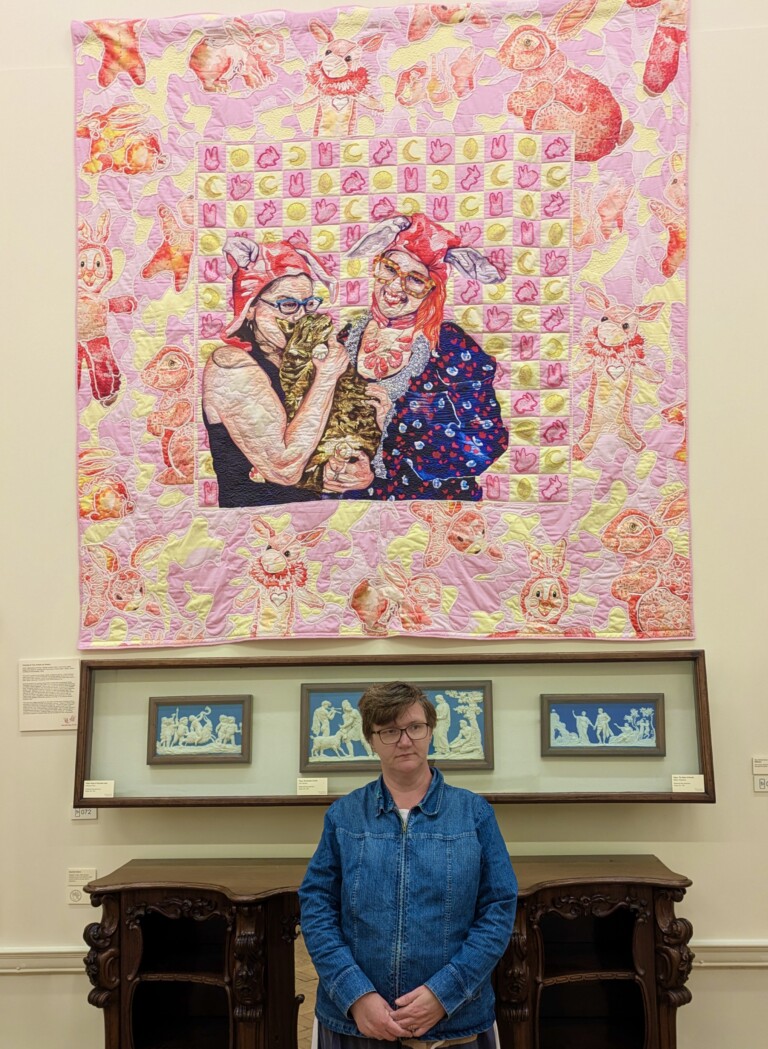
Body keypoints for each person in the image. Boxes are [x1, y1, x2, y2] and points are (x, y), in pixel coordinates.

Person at [299, 681, 517, 1044]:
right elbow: (316, 907)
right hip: (355, 1024)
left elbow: (498, 908)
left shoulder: (474, 814)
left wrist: (445, 992)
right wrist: (356, 995)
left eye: (415, 727)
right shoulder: (344, 816)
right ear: (371, 739)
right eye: (389, 731)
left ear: (430, 731)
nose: (404, 740)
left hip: (455, 1021)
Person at [323, 213, 509, 500]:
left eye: (415, 280)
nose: (395, 288)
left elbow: (485, 443)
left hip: (427, 500)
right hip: (346, 501)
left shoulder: (450, 347)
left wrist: (395, 422)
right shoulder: (347, 337)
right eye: (389, 269)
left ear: (433, 290)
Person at [202, 236, 350, 506]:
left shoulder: (306, 361)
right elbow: (284, 467)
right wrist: (327, 378)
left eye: (309, 304)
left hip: (314, 522)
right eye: (287, 304)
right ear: (250, 308)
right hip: (252, 523)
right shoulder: (229, 364)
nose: (299, 317)